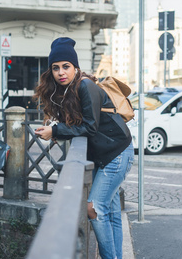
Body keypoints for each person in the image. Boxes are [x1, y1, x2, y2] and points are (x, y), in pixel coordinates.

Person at [33, 37, 134, 259]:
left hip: (117, 153)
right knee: (112, 212)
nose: (61, 72)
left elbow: (89, 127)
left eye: (66, 66)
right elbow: (77, 123)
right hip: (105, 154)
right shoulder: (66, 90)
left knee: (93, 209)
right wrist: (53, 127)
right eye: (56, 68)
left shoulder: (86, 86)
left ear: (75, 67)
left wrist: (56, 132)